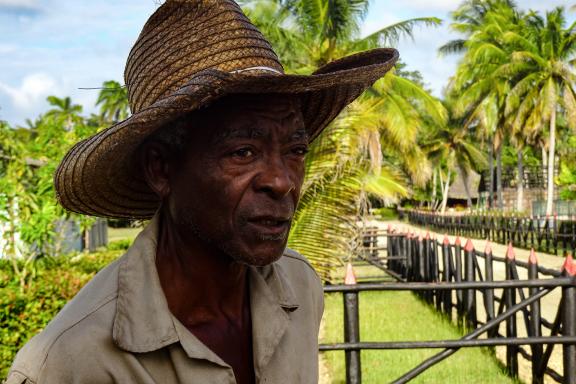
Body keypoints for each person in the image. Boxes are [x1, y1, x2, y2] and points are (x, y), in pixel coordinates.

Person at [6, 1, 398, 383]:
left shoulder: (299, 288)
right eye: (243, 151)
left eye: (296, 150)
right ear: (160, 168)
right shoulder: (71, 362)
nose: (282, 182)